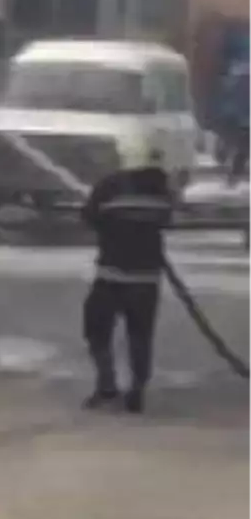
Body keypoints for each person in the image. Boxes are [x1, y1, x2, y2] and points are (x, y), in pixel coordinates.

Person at [80, 148, 174, 414]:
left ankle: (106, 385)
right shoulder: (161, 192)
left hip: (110, 276)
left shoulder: (109, 185)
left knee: (97, 331)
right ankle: (137, 390)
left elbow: (89, 218)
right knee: (140, 336)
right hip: (147, 279)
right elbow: (166, 221)